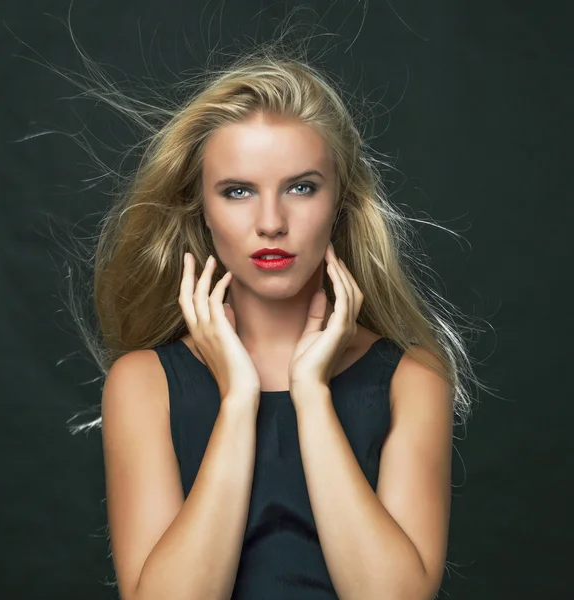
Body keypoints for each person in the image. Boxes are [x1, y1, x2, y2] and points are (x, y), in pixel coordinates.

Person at [57, 34, 484, 600]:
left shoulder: (413, 379)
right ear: (202, 210)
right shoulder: (143, 384)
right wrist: (237, 401)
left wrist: (312, 396)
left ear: (339, 204)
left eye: (301, 188)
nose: (271, 222)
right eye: (237, 191)